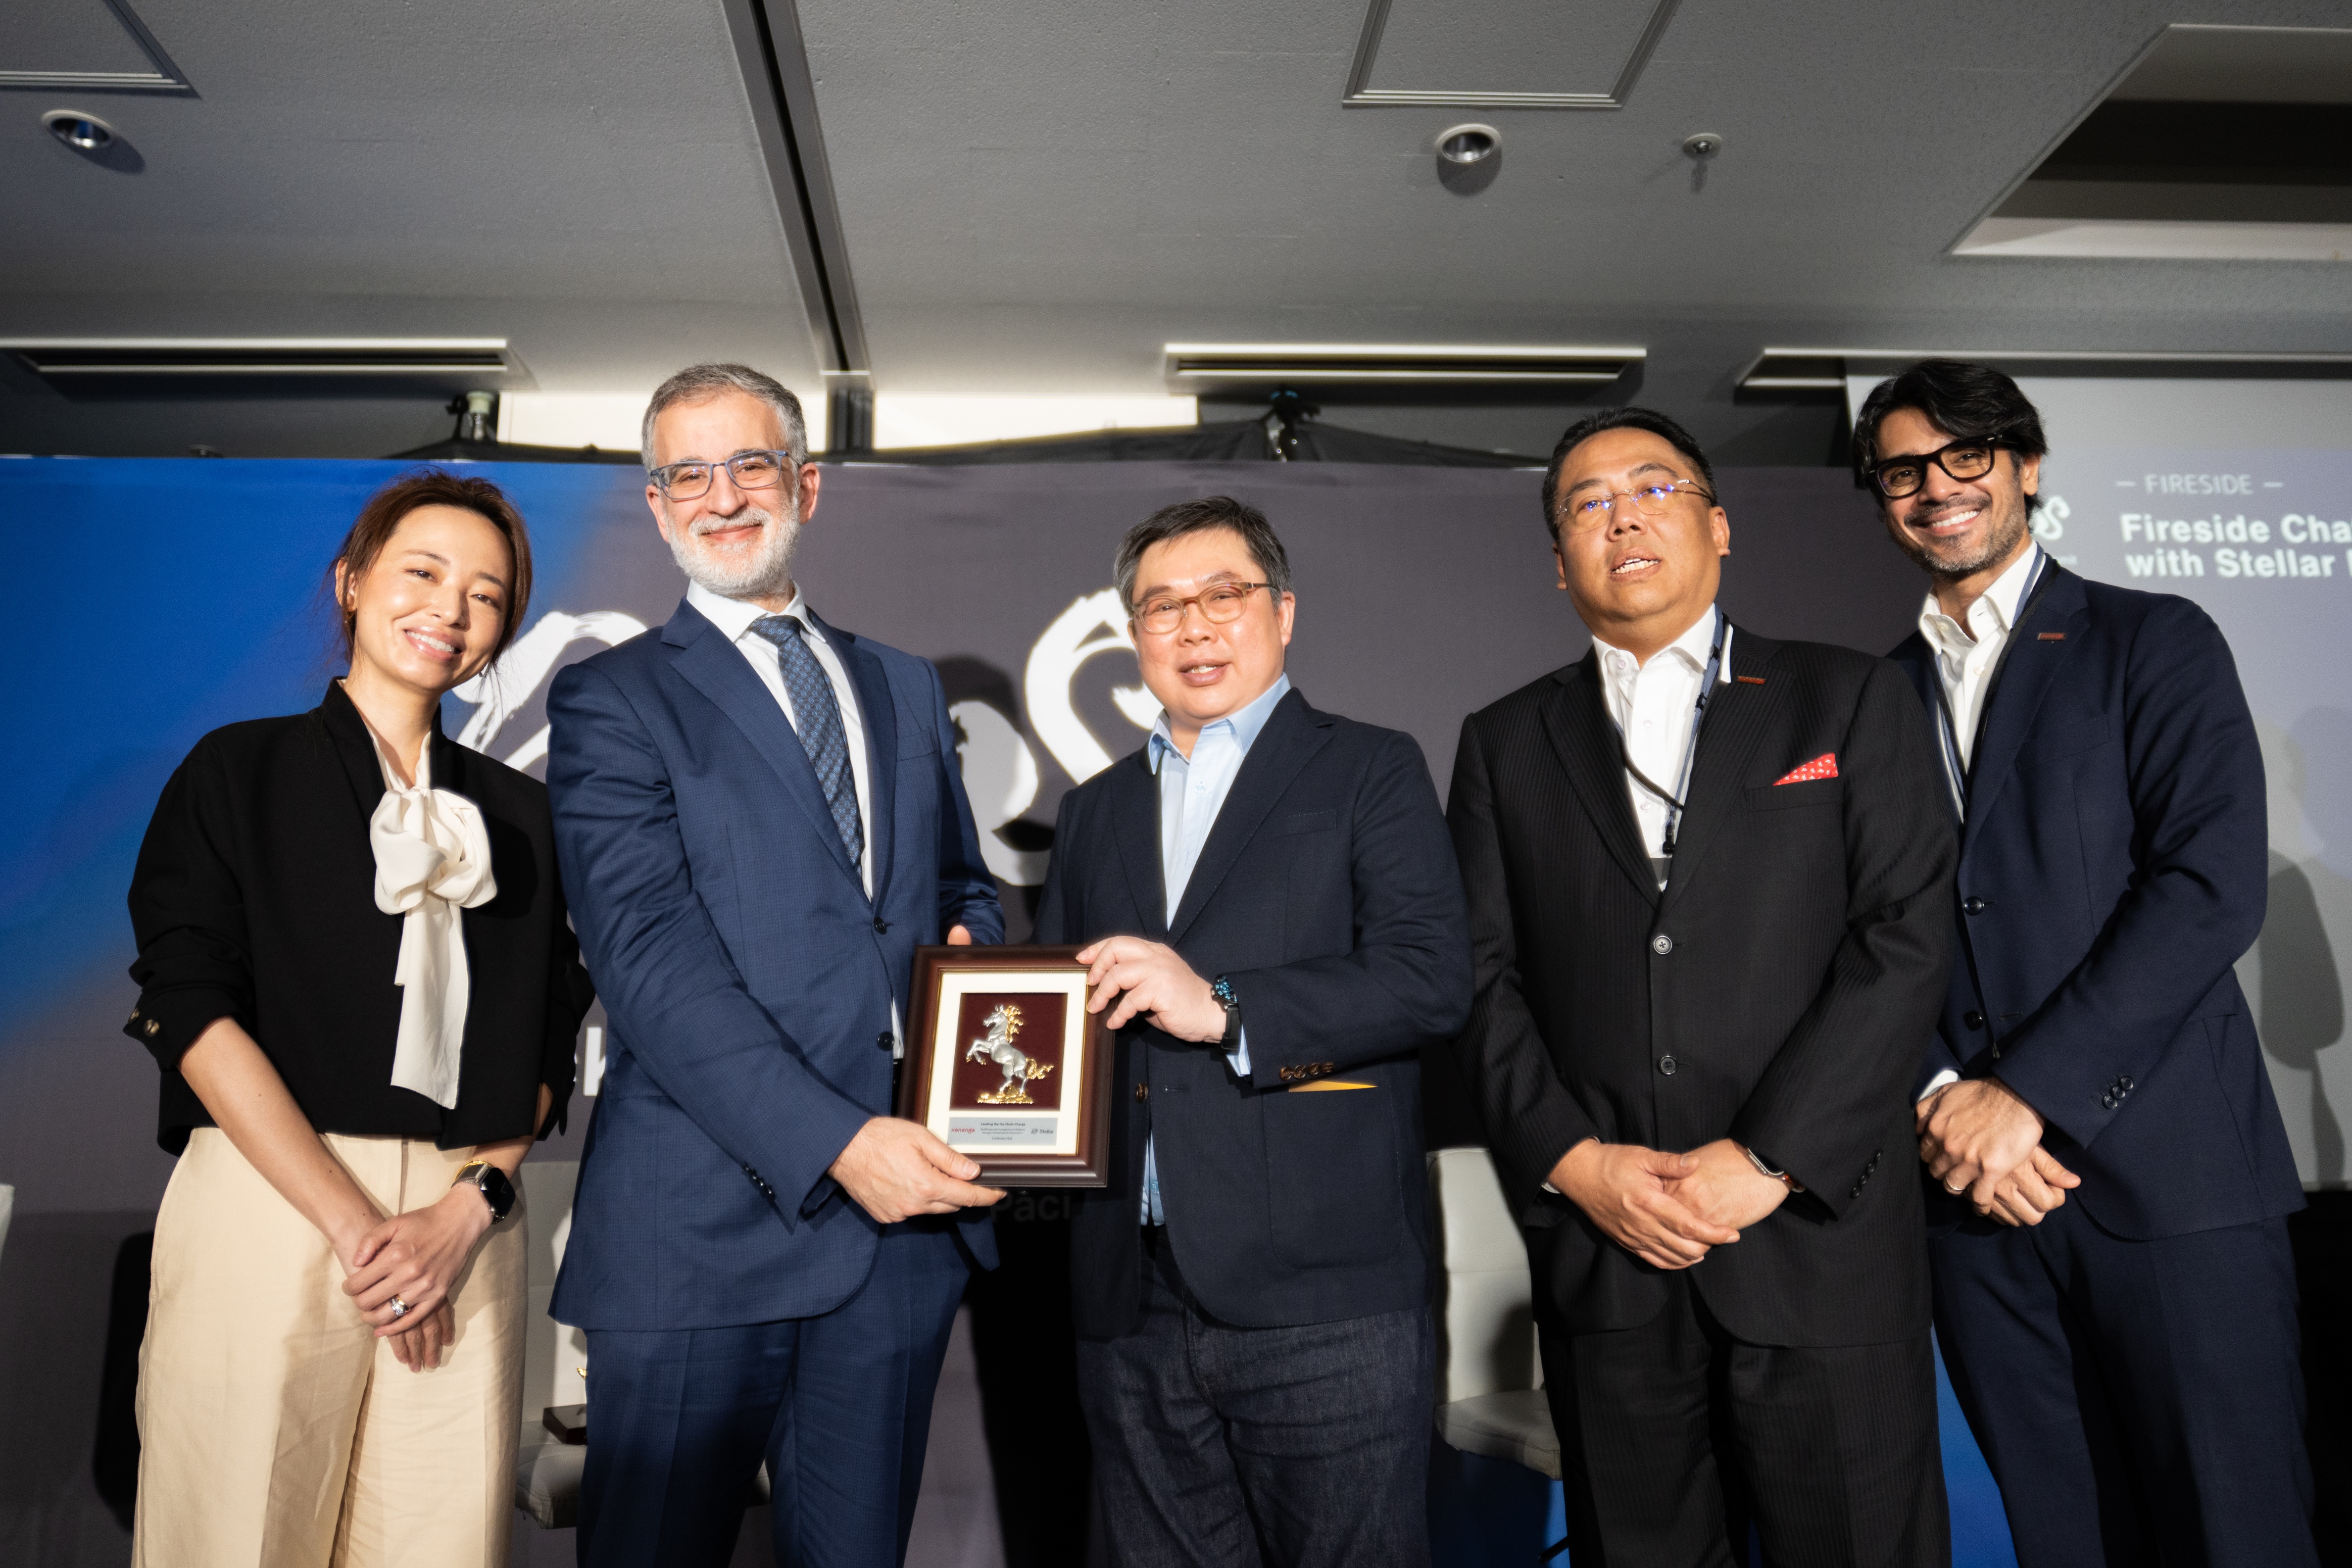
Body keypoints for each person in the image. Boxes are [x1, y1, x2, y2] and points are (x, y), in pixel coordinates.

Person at [1448, 408, 1958, 1567]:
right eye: (1587, 504)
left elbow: (1905, 941)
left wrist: (1769, 1159)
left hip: (1818, 1244)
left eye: (1654, 488)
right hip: (1611, 1256)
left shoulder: (1846, 697)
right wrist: (1580, 1164)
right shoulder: (1505, 741)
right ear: (1559, 562)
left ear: (1720, 526)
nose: (1622, 517)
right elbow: (1478, 979)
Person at [546, 363, 1006, 1567]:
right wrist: (843, 1144)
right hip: (697, 1235)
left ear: (805, 484)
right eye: (688, 474)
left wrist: (974, 958)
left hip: (896, 1251)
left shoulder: (902, 683)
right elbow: (650, 964)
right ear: (657, 504)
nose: (724, 496)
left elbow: (962, 886)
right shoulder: (612, 698)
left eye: (750, 464)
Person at [1862, 360, 2315, 1567]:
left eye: (1966, 455)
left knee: (2234, 1533)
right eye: (1903, 472)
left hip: (2172, 1188)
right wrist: (1942, 1097)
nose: (1937, 488)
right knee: (2065, 1537)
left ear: (2025, 465)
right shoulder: (1870, 699)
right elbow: (1863, 932)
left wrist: (2025, 1096)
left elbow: (2209, 887)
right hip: (1974, 1204)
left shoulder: (2152, 638)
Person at [124, 470, 591, 1566]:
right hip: (273, 1197)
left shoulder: (525, 816)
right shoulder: (239, 769)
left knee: (442, 1543)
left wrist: (466, 1211)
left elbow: (548, 1033)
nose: (451, 609)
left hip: (463, 1224)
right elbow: (189, 1005)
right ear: (351, 581)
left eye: (486, 595)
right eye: (422, 572)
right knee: (236, 1536)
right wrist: (355, 1227)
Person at [1032, 496, 1470, 1568]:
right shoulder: (1093, 810)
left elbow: (1430, 980)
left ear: (1283, 612)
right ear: (1133, 633)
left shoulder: (1369, 767)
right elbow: (1065, 1032)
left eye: (1223, 596)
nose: (1194, 626)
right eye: (1163, 606)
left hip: (1323, 1294)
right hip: (1131, 1298)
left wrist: (1225, 1006)